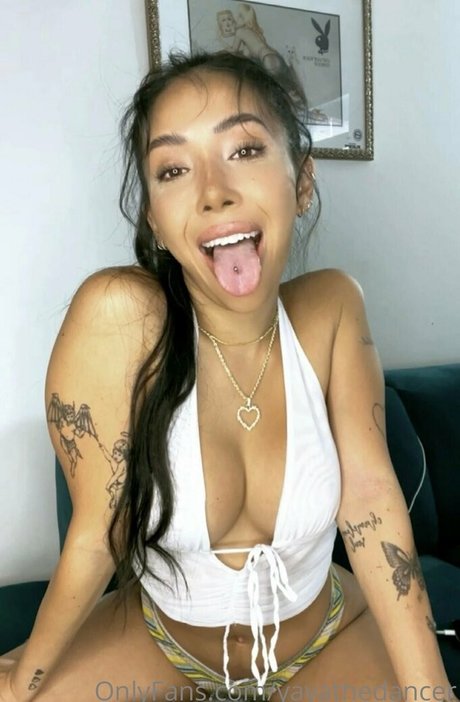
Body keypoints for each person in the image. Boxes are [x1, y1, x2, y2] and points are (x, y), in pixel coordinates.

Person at [0, 51, 455, 702]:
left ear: (302, 182)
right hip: (163, 641)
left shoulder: (333, 309)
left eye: (243, 150)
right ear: (155, 220)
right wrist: (26, 681)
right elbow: (98, 534)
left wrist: (430, 692)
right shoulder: (119, 318)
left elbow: (372, 506)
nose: (213, 190)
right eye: (173, 169)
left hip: (329, 630)